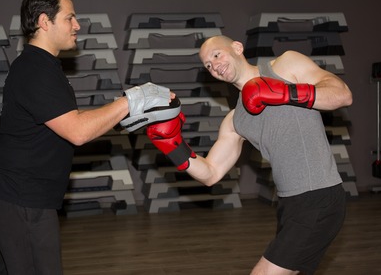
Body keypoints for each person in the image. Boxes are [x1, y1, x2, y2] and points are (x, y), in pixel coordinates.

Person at [0, 0, 173, 275]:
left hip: (16, 192)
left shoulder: (42, 66)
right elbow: (78, 132)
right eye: (70, 18)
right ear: (45, 22)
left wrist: (127, 115)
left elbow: (71, 120)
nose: (77, 25)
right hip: (20, 195)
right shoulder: (35, 70)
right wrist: (131, 100)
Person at [146, 35, 353, 275]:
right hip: (289, 203)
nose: (214, 66)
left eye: (216, 55)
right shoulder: (235, 120)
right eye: (208, 66)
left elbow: (342, 94)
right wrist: (172, 145)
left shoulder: (286, 65)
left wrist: (285, 92)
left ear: (237, 47)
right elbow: (210, 173)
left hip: (319, 197)